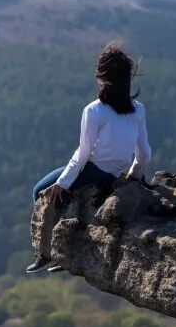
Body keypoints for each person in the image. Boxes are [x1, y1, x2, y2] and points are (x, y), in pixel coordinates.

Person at [27, 43, 152, 273]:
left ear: (102, 78)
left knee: (40, 191)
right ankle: (65, 253)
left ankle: (48, 253)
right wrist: (133, 178)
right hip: (116, 174)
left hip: (94, 169)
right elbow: (144, 153)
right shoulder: (138, 110)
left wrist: (63, 182)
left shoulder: (95, 111)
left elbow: (83, 153)